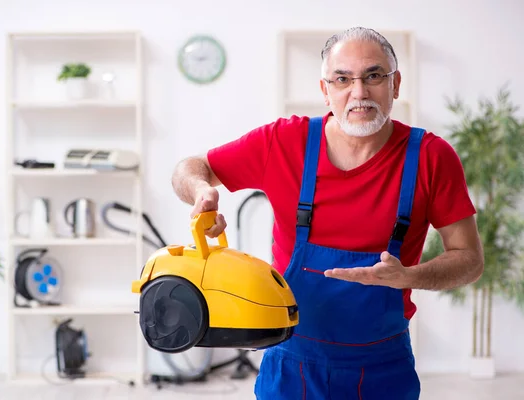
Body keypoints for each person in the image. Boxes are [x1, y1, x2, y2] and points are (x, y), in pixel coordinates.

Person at [171, 27, 484, 400]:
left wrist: (408, 276)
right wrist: (202, 190)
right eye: (342, 79)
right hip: (291, 364)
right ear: (325, 91)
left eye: (374, 76)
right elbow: (190, 167)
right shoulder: (284, 142)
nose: (359, 92)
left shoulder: (432, 158)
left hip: (383, 368)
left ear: (395, 84)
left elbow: (469, 259)